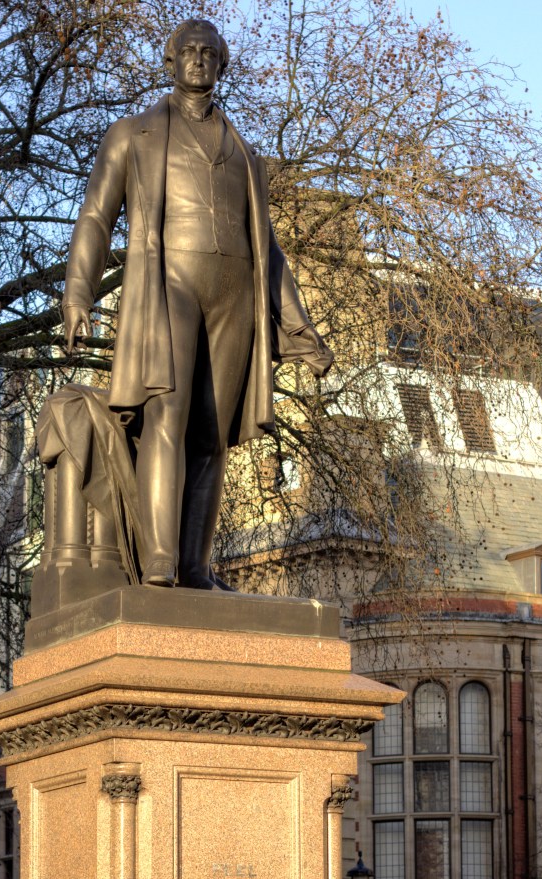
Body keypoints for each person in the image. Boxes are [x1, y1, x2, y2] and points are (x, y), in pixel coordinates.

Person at [63, 18, 333, 590]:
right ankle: (160, 558)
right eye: (188, 51)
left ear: (221, 64)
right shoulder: (132, 135)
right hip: (169, 284)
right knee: (168, 411)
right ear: (169, 62)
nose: (198, 60)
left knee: (214, 434)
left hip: (235, 293)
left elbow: (270, 251)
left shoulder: (246, 157)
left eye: (209, 53)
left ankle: (194, 566)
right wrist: (78, 294)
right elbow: (95, 217)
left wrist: (299, 326)